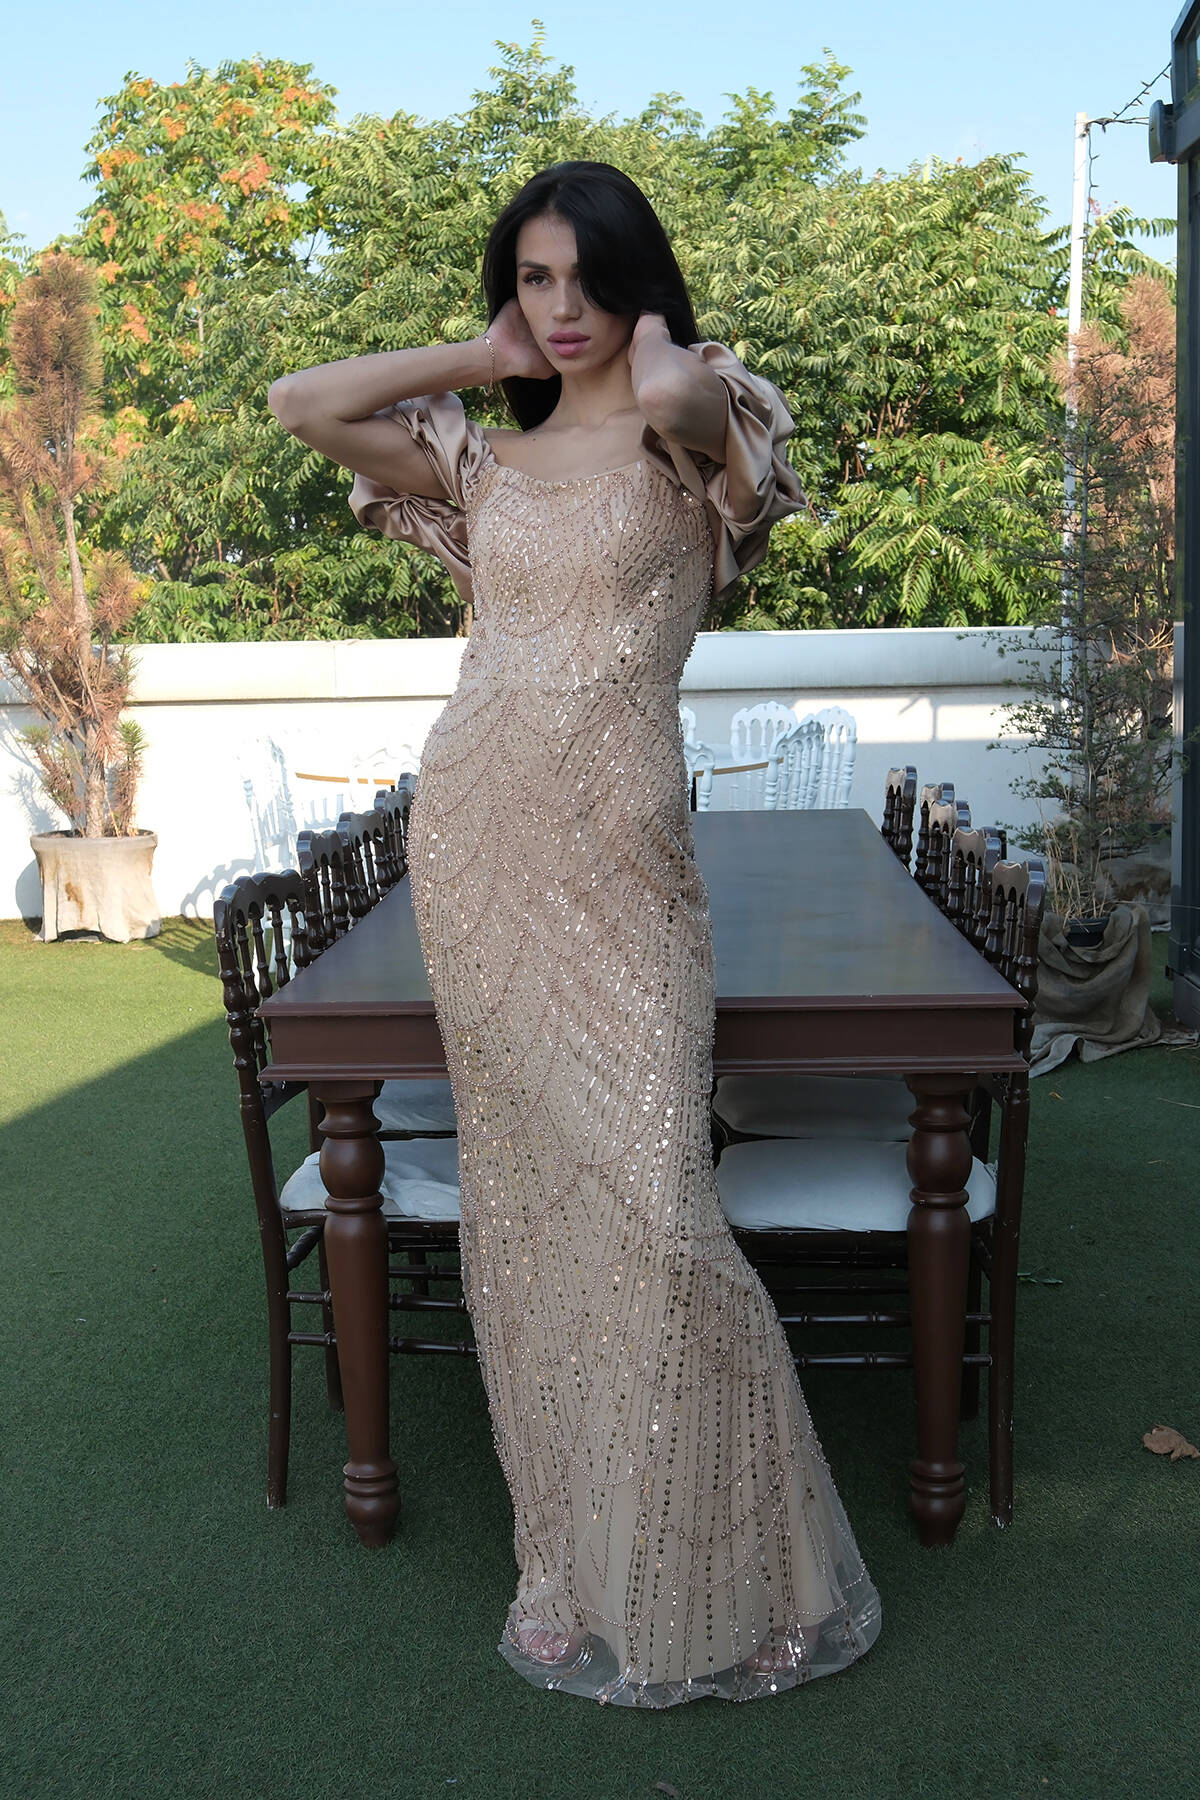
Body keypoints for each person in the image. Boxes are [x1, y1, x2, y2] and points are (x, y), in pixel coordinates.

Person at [268, 159, 881, 1708]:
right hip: (479, 841)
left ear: (636, 282)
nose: (560, 309)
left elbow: (672, 395)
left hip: (626, 865)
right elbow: (299, 401)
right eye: (533, 280)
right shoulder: (477, 458)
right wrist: (477, 358)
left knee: (662, 1213)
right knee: (529, 1214)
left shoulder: (698, 424)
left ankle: (759, 1568)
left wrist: (655, 343)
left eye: (586, 279)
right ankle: (563, 1560)